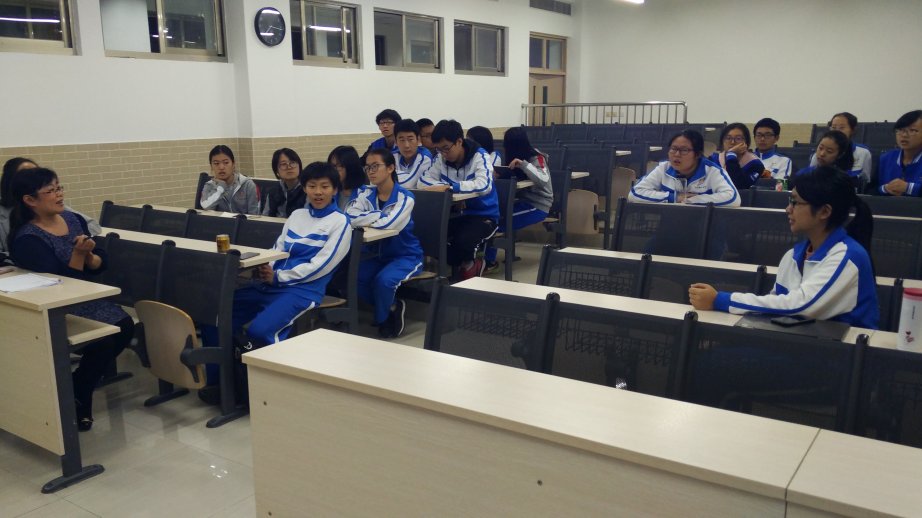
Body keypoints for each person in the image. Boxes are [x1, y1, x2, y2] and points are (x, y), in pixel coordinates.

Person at [8, 168, 133, 431]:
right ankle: (80, 394)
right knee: (102, 342)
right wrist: (78, 254)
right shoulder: (27, 238)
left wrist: (90, 256)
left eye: (59, 188)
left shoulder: (72, 218)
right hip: (56, 306)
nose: (59, 195)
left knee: (124, 326)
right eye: (50, 191)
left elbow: (100, 259)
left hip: (85, 298)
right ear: (30, 200)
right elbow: (60, 285)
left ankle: (78, 384)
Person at [689, 166, 878, 329]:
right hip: (800, 341)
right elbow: (775, 305)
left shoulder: (848, 256)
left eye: (795, 202)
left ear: (824, 211)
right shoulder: (793, 255)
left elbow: (801, 305)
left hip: (841, 353)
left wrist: (720, 300)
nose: (788, 209)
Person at [221, 162, 352, 350]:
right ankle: (226, 366)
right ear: (304, 188)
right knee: (220, 314)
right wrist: (267, 268)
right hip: (270, 284)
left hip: (303, 290)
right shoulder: (297, 215)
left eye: (325, 186)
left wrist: (278, 277)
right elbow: (278, 248)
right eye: (312, 186)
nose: (318, 192)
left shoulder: (340, 222)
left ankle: (263, 362)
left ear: (335, 189)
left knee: (259, 331)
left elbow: (322, 265)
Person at [346, 150, 423, 338]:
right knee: (354, 277)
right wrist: (379, 215)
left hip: (404, 255)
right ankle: (393, 306)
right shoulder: (366, 193)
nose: (371, 172)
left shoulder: (405, 197)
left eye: (375, 166)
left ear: (390, 168)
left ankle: (385, 319)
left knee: (384, 281)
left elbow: (389, 224)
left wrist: (366, 219)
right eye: (367, 168)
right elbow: (348, 217)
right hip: (375, 255)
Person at [419, 119, 500, 280]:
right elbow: (424, 181)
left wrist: (451, 187)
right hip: (456, 215)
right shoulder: (440, 158)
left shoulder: (480, 156)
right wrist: (445, 186)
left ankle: (470, 265)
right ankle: (467, 264)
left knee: (463, 242)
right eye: (438, 149)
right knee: (427, 236)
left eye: (446, 148)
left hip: (483, 215)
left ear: (459, 142)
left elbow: (484, 185)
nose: (443, 154)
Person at [484, 127, 554, 273]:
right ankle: (483, 258)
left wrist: (523, 164)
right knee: (492, 217)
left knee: (497, 223)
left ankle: (488, 262)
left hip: (538, 205)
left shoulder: (537, 158)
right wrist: (501, 174)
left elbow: (544, 179)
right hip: (522, 202)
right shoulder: (514, 157)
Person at [1, 157, 101, 256]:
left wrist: (68, 243)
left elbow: (93, 225)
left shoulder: (54, 208)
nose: (34, 177)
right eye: (27, 174)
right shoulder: (23, 230)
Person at [629, 130, 740, 206]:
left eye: (684, 150)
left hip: (704, 225)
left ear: (697, 154)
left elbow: (733, 198)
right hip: (670, 225)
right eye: (673, 149)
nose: (677, 154)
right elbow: (635, 193)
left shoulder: (712, 171)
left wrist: (692, 200)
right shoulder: (663, 168)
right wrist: (674, 198)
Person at [809, 112, 873, 182]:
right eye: (833, 127)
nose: (837, 131)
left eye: (841, 128)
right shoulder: (819, 155)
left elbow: (865, 181)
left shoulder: (863, 153)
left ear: (852, 130)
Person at [200, 145, 260, 214]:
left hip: (243, 221)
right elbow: (206, 207)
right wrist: (220, 188)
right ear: (211, 166)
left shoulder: (248, 185)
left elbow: (255, 215)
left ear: (233, 164)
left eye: (226, 163)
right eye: (216, 163)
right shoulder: (209, 185)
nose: (221, 167)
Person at [877, 110, 922, 197]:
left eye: (912, 130)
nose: (904, 135)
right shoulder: (886, 158)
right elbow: (870, 190)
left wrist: (908, 188)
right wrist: (885, 188)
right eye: (900, 130)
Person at [709, 123, 765, 190]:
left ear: (746, 142)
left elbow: (738, 186)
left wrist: (731, 155)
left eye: (738, 138)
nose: (732, 142)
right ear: (722, 141)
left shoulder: (756, 164)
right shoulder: (713, 160)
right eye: (728, 138)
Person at [262, 148, 306, 218]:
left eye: (293, 163)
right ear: (277, 171)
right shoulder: (272, 192)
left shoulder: (307, 189)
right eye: (283, 164)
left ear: (299, 166)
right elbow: (265, 217)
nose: (289, 167)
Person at [392, 119, 433, 189]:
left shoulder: (425, 157)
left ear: (418, 140)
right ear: (395, 141)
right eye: (402, 140)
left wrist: (392, 176)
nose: (406, 145)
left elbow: (408, 185)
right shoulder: (393, 156)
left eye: (410, 139)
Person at [328, 145, 366, 210]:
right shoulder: (330, 192)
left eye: (339, 166)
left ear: (351, 167)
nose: (334, 170)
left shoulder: (365, 194)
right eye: (332, 166)